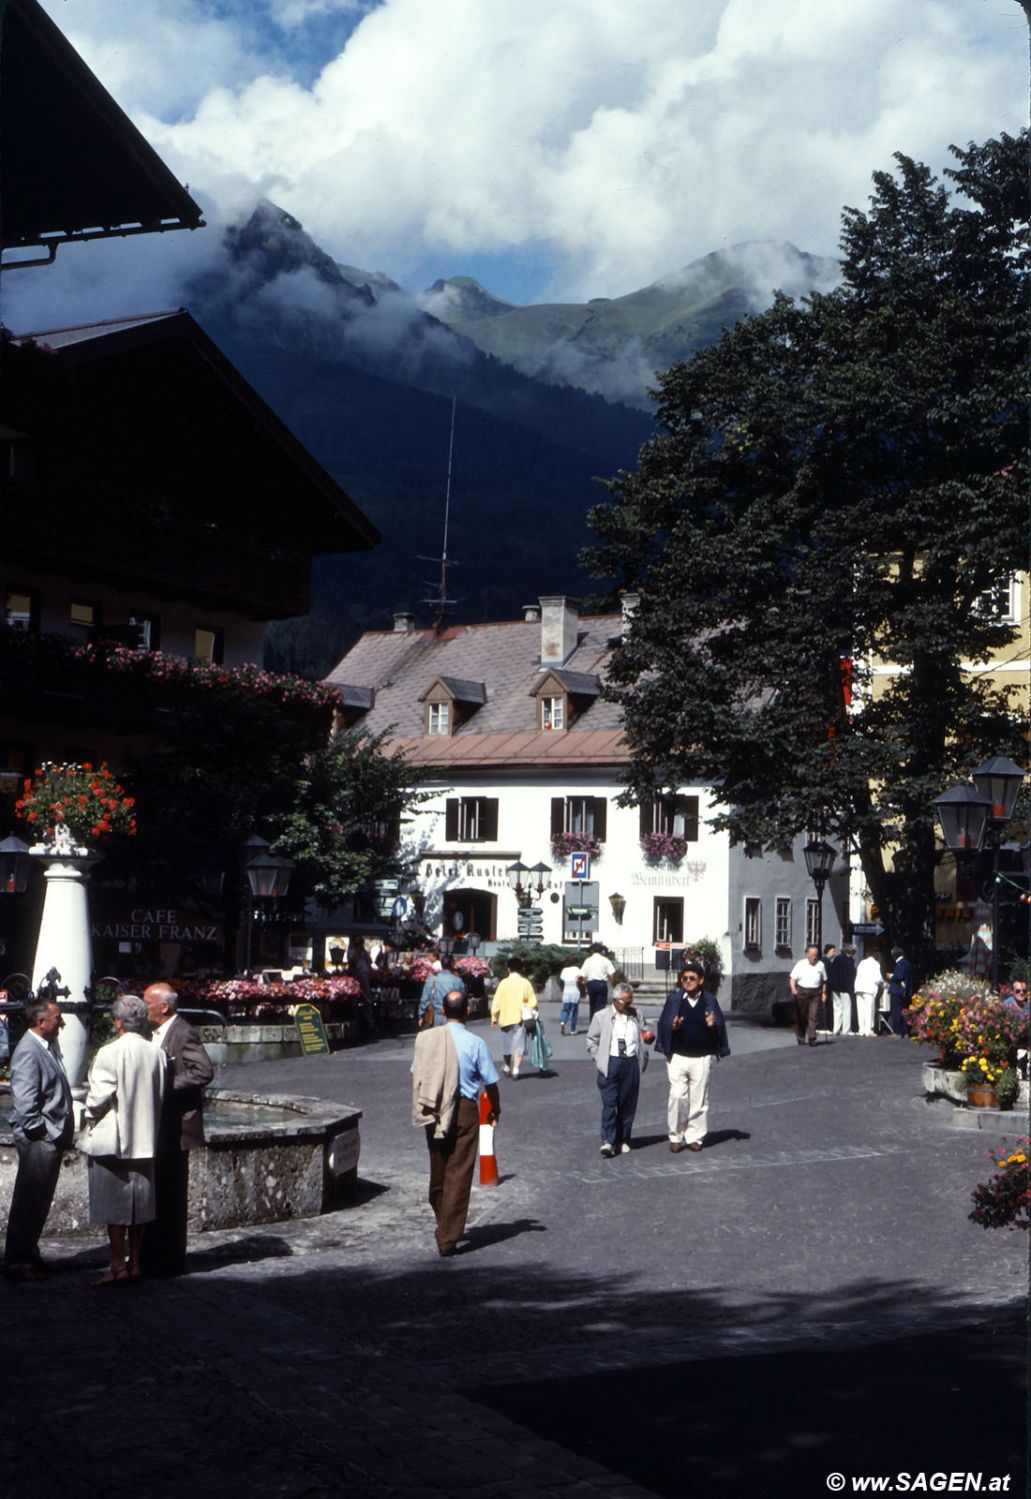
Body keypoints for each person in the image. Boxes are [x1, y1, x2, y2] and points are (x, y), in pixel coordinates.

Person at [82, 995, 166, 1285]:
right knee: (140, 1205)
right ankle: (136, 1262)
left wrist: (87, 1116)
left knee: (114, 1207)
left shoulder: (110, 1052)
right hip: (146, 1138)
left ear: (118, 1022)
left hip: (114, 1139)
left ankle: (117, 1262)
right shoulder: (156, 1052)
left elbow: (97, 1099)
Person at [411, 989, 500, 1257]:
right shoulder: (475, 1043)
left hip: (434, 1107)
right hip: (465, 1109)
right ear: (468, 1012)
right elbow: (491, 1082)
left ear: (441, 1011)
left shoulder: (427, 1040)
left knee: (438, 1167)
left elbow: (415, 1075)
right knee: (459, 1172)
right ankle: (448, 1236)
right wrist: (495, 1109)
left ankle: (444, 1219)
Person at [140, 981, 215, 1276]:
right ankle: (155, 1254)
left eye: (148, 1002)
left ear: (164, 1006)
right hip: (159, 1125)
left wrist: (165, 1087)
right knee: (158, 1191)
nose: (144, 1008)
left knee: (172, 1193)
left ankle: (170, 1259)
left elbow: (204, 1071)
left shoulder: (182, 1032)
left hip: (176, 1126)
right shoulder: (154, 1032)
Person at [3, 998, 73, 1281]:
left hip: (46, 1138)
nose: (63, 1022)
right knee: (29, 1200)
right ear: (41, 1022)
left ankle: (28, 1254)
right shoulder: (29, 1052)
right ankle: (18, 1262)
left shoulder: (45, 1046)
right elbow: (25, 1102)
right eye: (58, 1018)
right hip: (39, 1141)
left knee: (39, 1200)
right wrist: (43, 1133)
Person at [656, 960, 730, 1153]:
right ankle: (675, 1135)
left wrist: (713, 1024)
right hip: (678, 1056)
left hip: (702, 1057)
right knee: (677, 1096)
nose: (687, 982)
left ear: (701, 980)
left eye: (692, 978)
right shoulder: (675, 1000)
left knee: (699, 1099)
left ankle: (695, 1137)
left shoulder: (709, 1000)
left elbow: (720, 1027)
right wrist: (673, 1026)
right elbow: (663, 1023)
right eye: (685, 978)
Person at [587, 981, 650, 1156]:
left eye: (630, 1001)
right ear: (615, 1000)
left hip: (630, 1063)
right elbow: (591, 1040)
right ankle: (608, 1140)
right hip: (611, 1063)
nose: (628, 1005)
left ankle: (623, 1139)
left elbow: (644, 1032)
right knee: (609, 1103)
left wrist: (648, 1037)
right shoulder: (601, 1016)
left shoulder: (636, 1014)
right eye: (625, 1002)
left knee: (627, 1104)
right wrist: (599, 1059)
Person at [490, 957, 538, 1078]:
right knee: (519, 1045)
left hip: (505, 1018)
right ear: (521, 969)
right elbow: (533, 1002)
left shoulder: (503, 983)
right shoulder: (525, 983)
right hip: (520, 1018)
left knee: (507, 1045)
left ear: (508, 969)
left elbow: (496, 1002)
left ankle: (506, 1065)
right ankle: (516, 1069)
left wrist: (494, 1017)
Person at [789, 944, 827, 1046]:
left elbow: (824, 981)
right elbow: (792, 979)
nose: (814, 957)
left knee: (813, 1016)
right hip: (802, 992)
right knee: (801, 1016)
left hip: (815, 993)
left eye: (816, 955)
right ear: (807, 954)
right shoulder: (800, 964)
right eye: (812, 955)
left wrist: (823, 993)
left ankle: (812, 1038)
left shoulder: (821, 965)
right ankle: (800, 1036)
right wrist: (793, 989)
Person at [419, 954, 465, 1027]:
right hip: (452, 1017)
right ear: (452, 964)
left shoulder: (431, 979)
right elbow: (462, 1000)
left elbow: (425, 999)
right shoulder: (457, 981)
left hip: (435, 1016)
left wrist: (421, 1015)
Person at [827, 943, 857, 1036]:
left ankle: (836, 1029)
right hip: (845, 988)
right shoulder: (848, 961)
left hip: (835, 987)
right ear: (851, 952)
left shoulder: (837, 959)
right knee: (846, 1008)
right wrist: (851, 989)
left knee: (837, 1008)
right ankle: (846, 1029)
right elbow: (849, 977)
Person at [854, 951, 885, 1037]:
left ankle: (861, 1030)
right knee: (869, 1010)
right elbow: (878, 979)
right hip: (869, 989)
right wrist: (883, 984)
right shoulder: (875, 964)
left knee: (860, 1010)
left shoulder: (862, 962)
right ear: (878, 959)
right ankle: (868, 1031)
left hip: (859, 988)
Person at [581, 944, 616, 1018]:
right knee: (600, 1007)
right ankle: (599, 1025)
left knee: (592, 1005)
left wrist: (583, 986)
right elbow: (611, 975)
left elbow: (583, 975)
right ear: (601, 951)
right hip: (601, 984)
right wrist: (613, 985)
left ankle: (592, 1024)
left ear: (592, 950)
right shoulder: (605, 960)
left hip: (591, 984)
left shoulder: (588, 960)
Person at [887, 947, 914, 1037]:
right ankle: (905, 1031)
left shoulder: (901, 963)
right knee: (904, 1012)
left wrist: (891, 976)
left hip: (897, 991)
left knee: (896, 1012)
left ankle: (897, 1032)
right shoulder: (907, 963)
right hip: (904, 991)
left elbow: (899, 976)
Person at [558, 959, 584, 1035]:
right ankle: (573, 1029)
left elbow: (562, 978)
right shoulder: (576, 969)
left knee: (566, 1008)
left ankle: (563, 1021)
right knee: (574, 1011)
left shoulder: (564, 970)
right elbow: (581, 977)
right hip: (575, 990)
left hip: (567, 990)